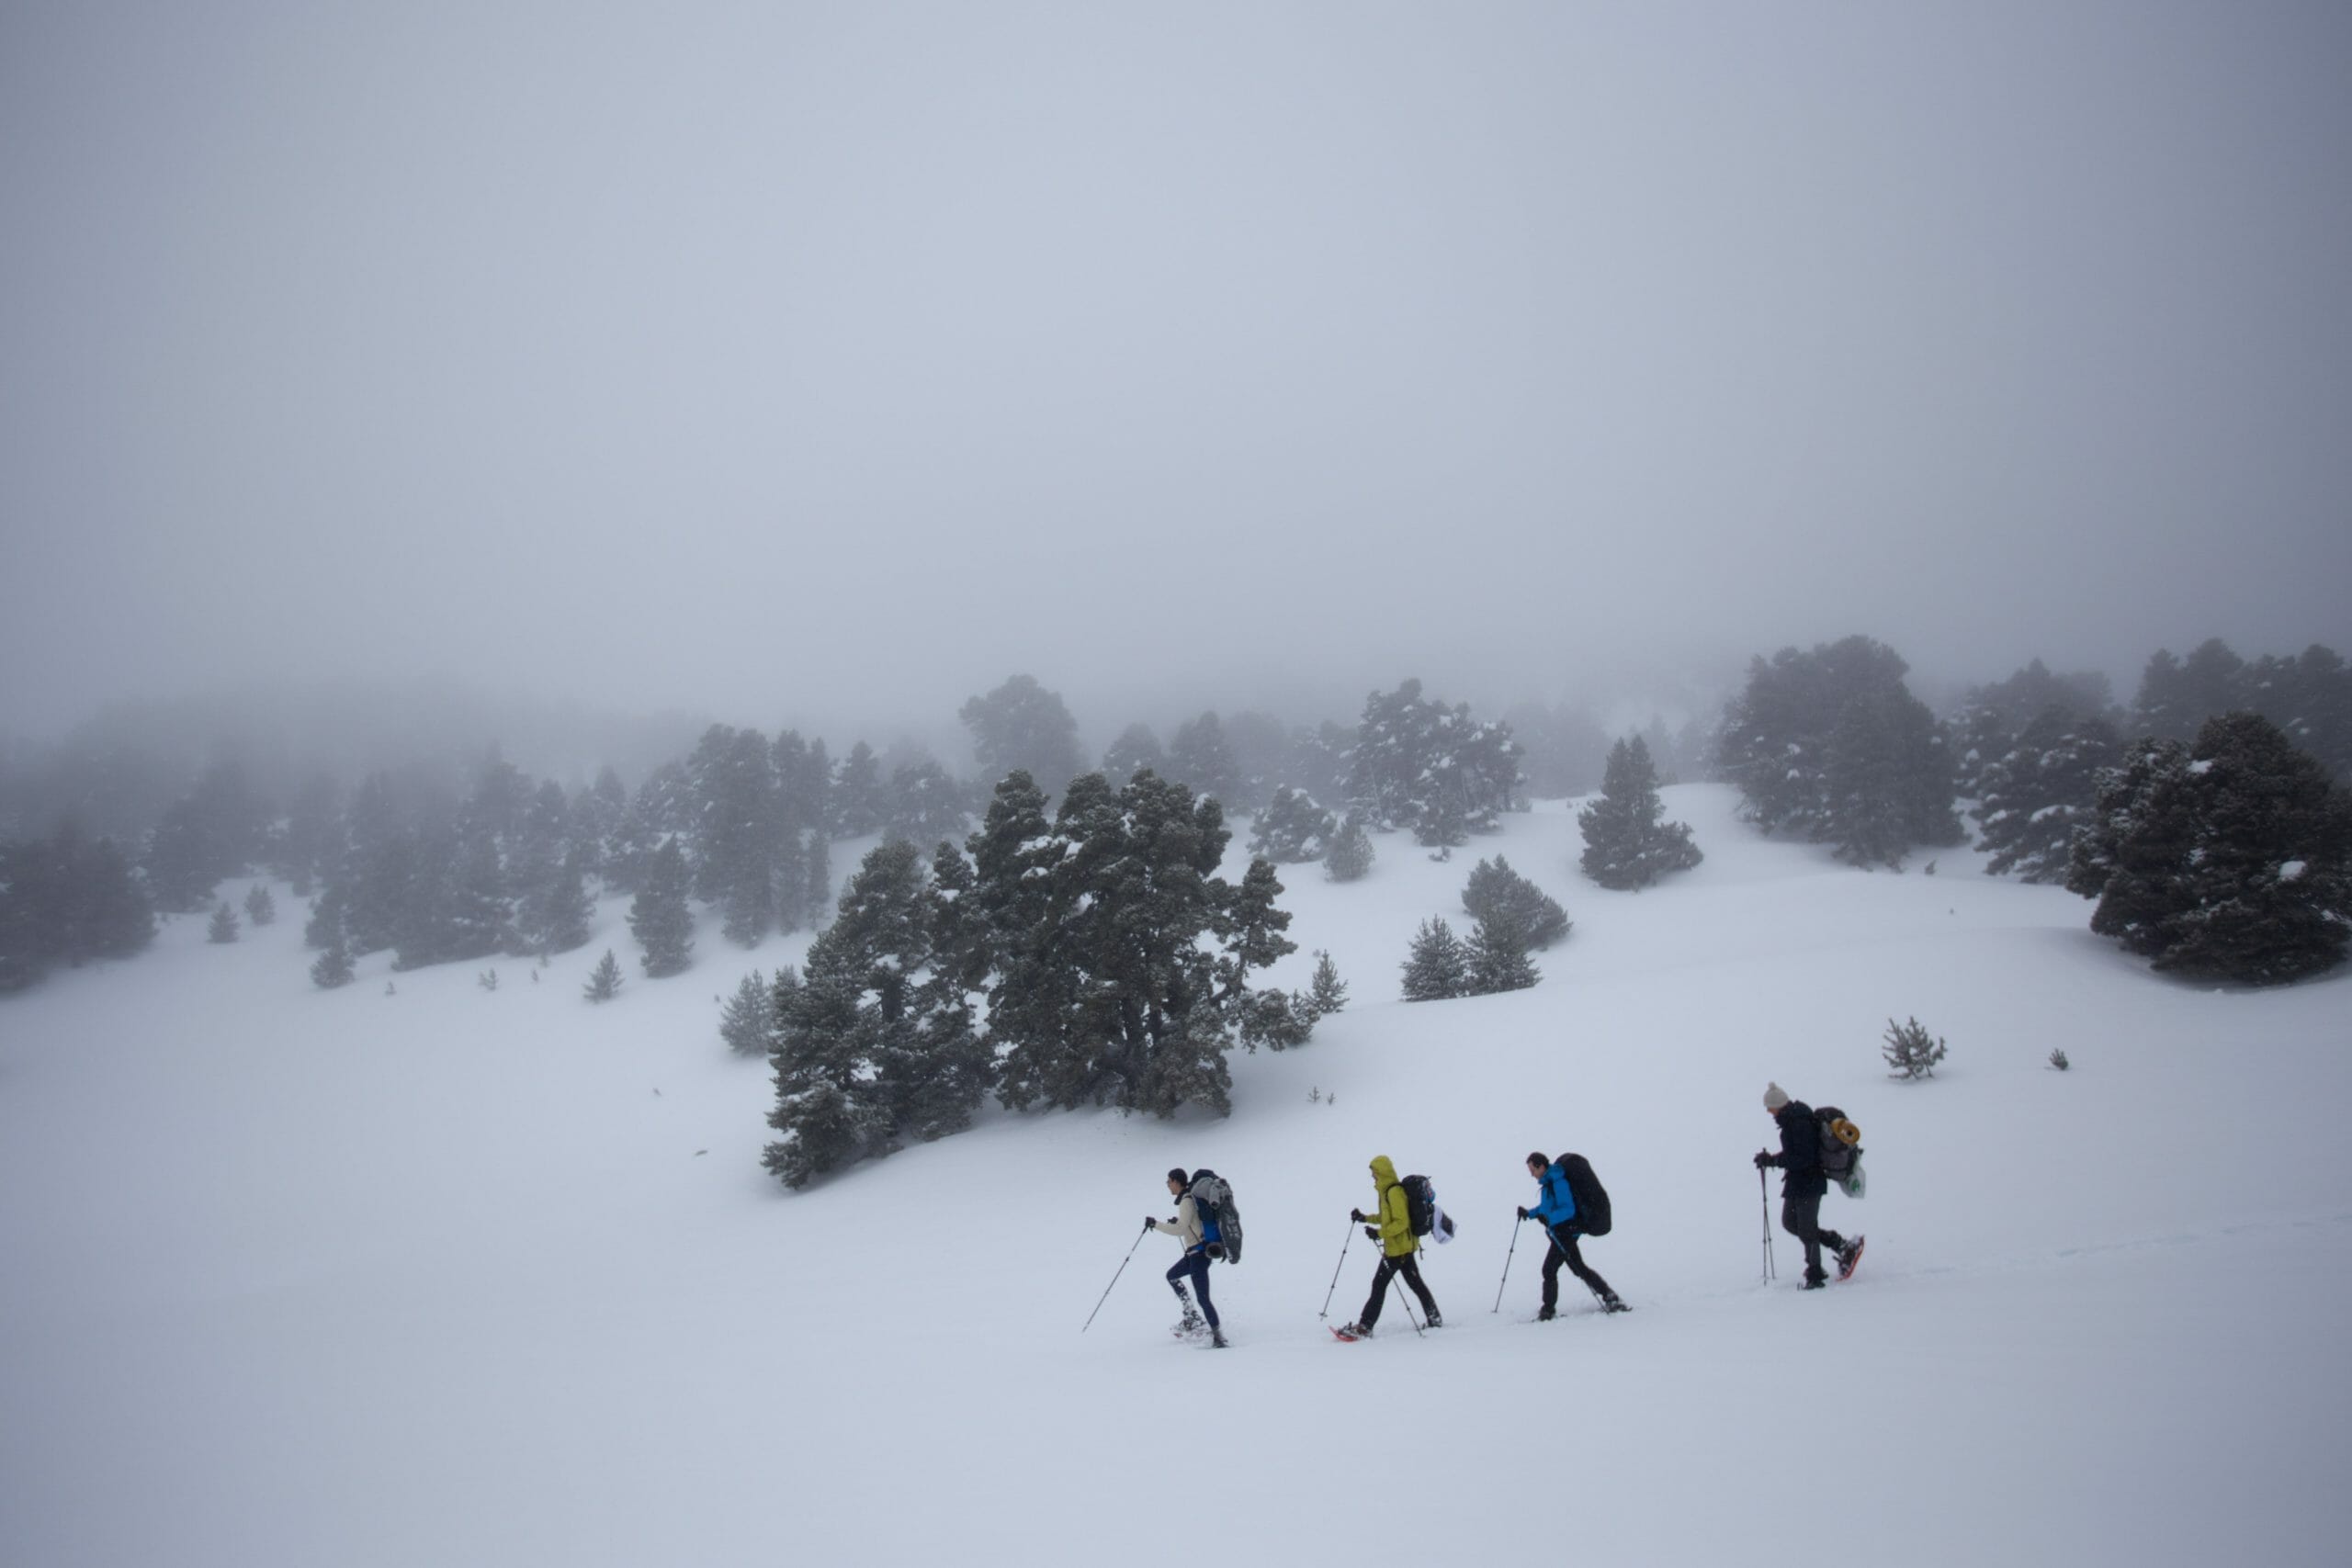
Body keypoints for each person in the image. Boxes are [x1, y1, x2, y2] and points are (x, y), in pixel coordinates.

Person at [1754, 1082, 1861, 1290]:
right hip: (1797, 1181)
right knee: (1790, 1223)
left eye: (1770, 1107)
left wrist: (1774, 1161)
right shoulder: (1791, 1121)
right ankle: (1839, 1244)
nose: (1768, 1111)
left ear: (1778, 1105)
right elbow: (1795, 1154)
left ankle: (1815, 1273)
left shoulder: (1799, 1123)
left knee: (1806, 1229)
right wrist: (1771, 1159)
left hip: (1810, 1181)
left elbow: (1803, 1158)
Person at [1337, 1155, 1442, 1337]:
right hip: (1401, 1248)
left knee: (1379, 1285)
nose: (1372, 1177)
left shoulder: (1394, 1193)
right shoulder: (1387, 1192)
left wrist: (1379, 1233)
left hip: (1398, 1249)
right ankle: (1435, 1318)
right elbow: (1386, 1218)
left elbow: (1402, 1222)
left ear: (1382, 1172)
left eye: (1374, 1173)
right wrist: (1365, 1218)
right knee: (1415, 1284)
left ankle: (1365, 1326)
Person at [1518, 1151, 1627, 1317]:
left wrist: (1549, 1218)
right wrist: (1529, 1213)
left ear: (1541, 1166)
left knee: (1549, 1269)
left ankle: (1548, 1310)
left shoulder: (1558, 1181)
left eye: (1532, 1170)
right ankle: (1610, 1296)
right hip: (1561, 1232)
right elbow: (1546, 1209)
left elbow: (1568, 1209)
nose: (1531, 1174)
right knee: (1578, 1268)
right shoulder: (1548, 1183)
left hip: (1566, 1232)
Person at [1149, 1168, 1227, 1348]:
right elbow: (1190, 1225)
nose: (1168, 1185)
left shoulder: (1186, 1200)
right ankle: (1191, 1316)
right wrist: (1177, 1223)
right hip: (1194, 1254)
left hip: (1199, 1255)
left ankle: (1219, 1338)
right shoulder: (1189, 1199)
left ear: (1177, 1181)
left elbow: (1180, 1230)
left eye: (1169, 1181)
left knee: (1203, 1298)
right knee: (1172, 1276)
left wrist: (1156, 1224)